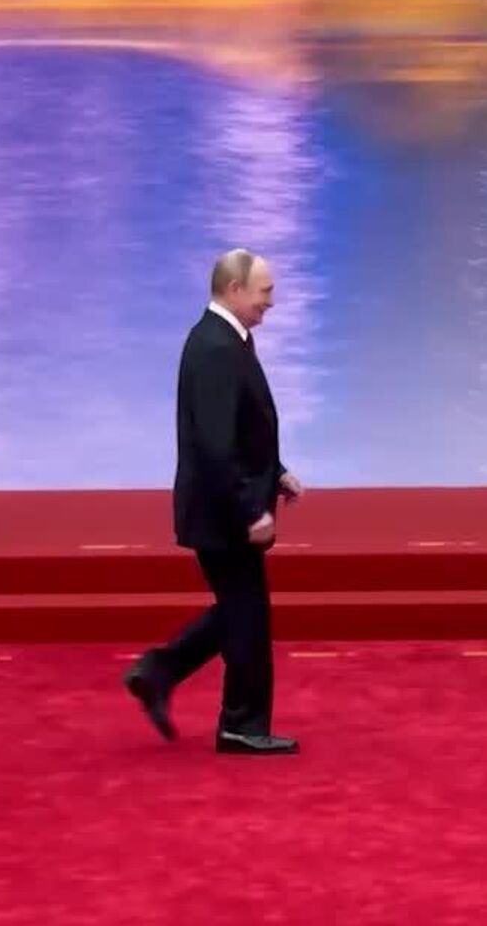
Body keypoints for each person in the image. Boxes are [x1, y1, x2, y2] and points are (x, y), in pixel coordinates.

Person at [124, 249, 304, 756]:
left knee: (240, 612)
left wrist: (276, 472)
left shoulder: (225, 340)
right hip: (224, 512)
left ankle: (159, 672)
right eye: (265, 291)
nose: (271, 301)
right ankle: (239, 725)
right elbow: (215, 445)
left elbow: (240, 429)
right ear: (234, 289)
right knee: (247, 616)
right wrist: (251, 510)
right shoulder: (217, 348)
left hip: (224, 503)